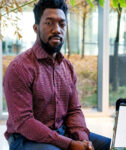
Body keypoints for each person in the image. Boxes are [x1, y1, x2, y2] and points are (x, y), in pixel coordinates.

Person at [3, 0, 111, 150]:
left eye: (62, 24)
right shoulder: (19, 68)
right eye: (49, 23)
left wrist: (82, 140)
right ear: (36, 28)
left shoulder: (68, 67)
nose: (57, 29)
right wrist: (70, 144)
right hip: (25, 138)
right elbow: (24, 122)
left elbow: (74, 111)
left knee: (108, 145)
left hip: (61, 131)